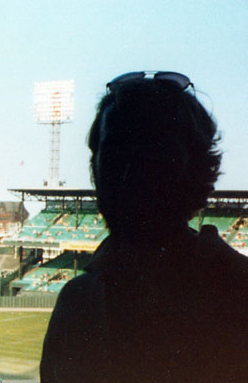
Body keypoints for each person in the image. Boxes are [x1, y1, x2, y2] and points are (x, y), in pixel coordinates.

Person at [40, 72, 248, 382]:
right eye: (114, 155)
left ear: (199, 169)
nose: (129, 175)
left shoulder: (240, 296)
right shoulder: (77, 302)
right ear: (95, 170)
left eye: (154, 157)